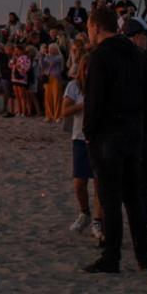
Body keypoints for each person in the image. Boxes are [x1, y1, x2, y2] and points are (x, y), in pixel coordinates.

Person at [82, 6, 147, 273]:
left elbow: (95, 99)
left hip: (108, 132)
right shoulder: (138, 55)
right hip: (134, 131)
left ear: (95, 27)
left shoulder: (100, 57)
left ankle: (112, 256)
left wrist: (89, 131)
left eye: (89, 29)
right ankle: (143, 255)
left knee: (109, 197)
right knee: (133, 196)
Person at [61, 54, 102, 240]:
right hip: (79, 137)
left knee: (99, 181)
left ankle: (98, 220)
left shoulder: (102, 86)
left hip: (99, 137)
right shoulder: (74, 87)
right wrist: (81, 106)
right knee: (79, 182)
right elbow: (65, 111)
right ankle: (84, 213)